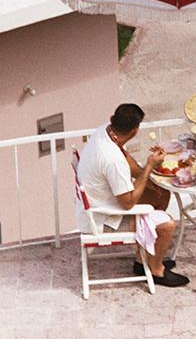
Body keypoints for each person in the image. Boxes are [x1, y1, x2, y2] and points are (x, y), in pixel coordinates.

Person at [76, 102, 189, 289]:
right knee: (167, 225)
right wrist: (150, 167)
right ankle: (155, 268)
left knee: (160, 194)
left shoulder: (105, 132)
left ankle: (143, 257)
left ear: (112, 119)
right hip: (104, 219)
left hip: (95, 203)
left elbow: (127, 161)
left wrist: (147, 174)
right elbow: (128, 203)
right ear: (135, 131)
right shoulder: (112, 159)